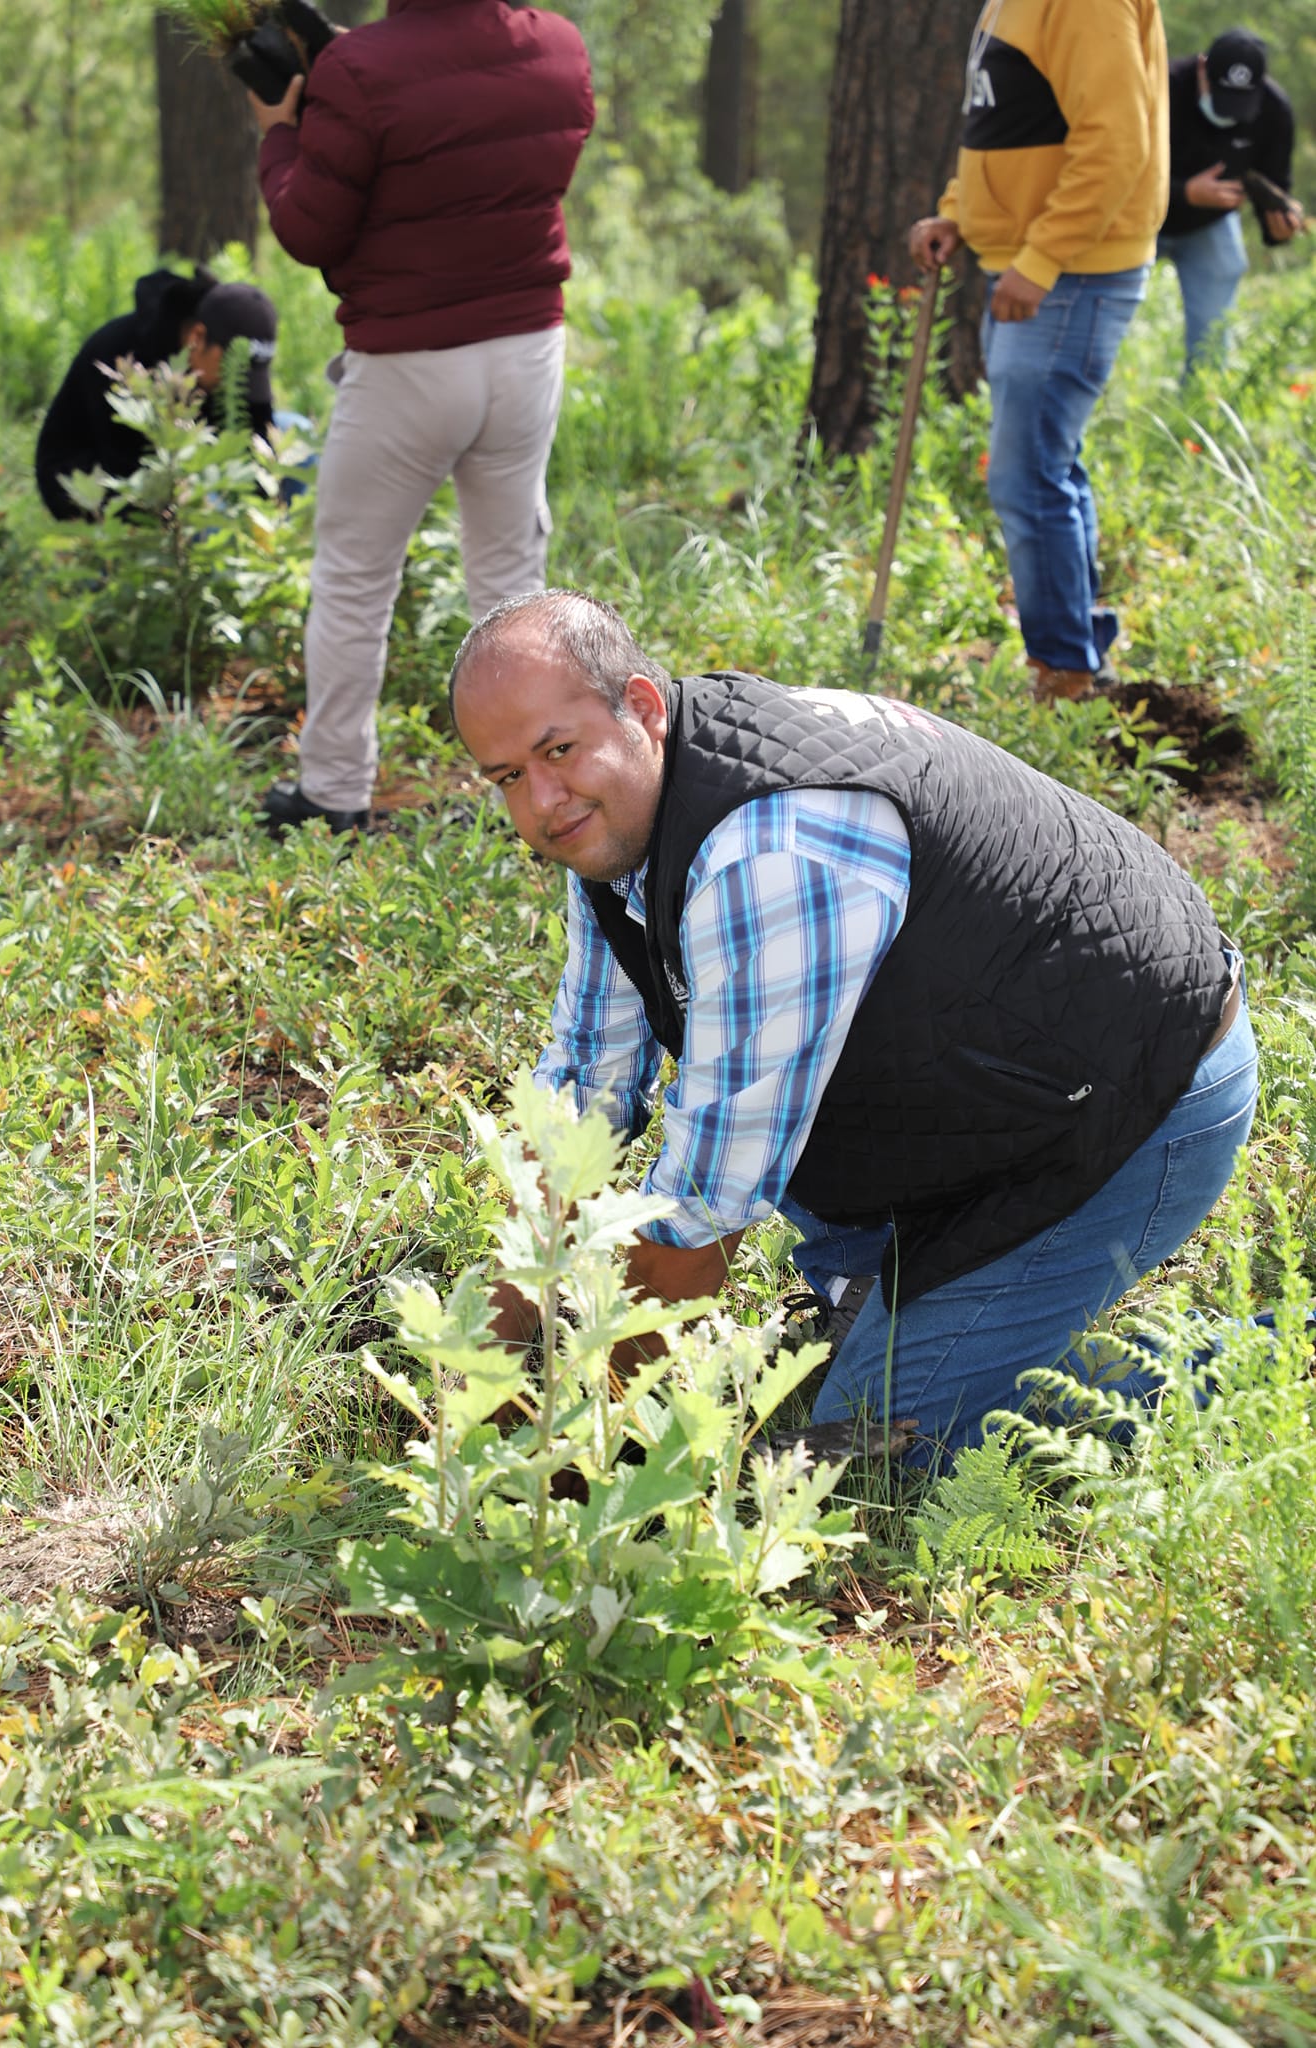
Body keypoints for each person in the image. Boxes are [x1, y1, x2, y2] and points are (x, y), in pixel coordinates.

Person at [448, 589, 1257, 1462]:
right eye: (507, 779)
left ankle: (1272, 1359)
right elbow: (583, 1088)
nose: (540, 803)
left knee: (884, 1441)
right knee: (747, 1072)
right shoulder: (618, 817)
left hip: (1132, 1102)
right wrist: (500, 1338)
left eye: (556, 751)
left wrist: (608, 1434)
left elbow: (705, 1205)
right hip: (995, 1081)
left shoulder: (771, 851)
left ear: (640, 705)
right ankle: (889, 1288)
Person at [248, 0, 595, 836]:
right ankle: (537, 789)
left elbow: (308, 225)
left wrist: (278, 131)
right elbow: (478, 152)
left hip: (407, 361)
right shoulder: (558, 46)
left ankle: (332, 794)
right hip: (526, 348)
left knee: (356, 580)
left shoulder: (360, 71)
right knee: (513, 580)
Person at [908, 0, 1168, 704]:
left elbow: (1116, 143)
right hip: (1031, 261)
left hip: (1073, 271)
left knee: (1024, 477)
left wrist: (1043, 258)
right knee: (1047, 467)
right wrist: (959, 213)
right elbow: (1006, 121)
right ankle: (1079, 651)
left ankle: (1065, 676)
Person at [35, 276, 280, 522]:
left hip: (183, 463)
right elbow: (127, 470)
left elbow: (261, 429)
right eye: (230, 368)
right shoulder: (120, 355)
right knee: (208, 513)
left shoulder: (226, 338)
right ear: (197, 337)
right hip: (97, 475)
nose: (235, 381)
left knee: (294, 430)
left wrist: (261, 503)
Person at [1158, 29, 1304, 377]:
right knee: (1104, 315)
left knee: (1213, 336)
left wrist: (1281, 227)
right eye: (1220, 95)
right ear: (1201, 69)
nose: (1230, 113)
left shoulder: (1274, 109)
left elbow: (1274, 185)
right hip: (1139, 217)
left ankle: (1202, 410)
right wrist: (1183, 193)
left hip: (1209, 224)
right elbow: (1120, 170)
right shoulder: (1162, 87)